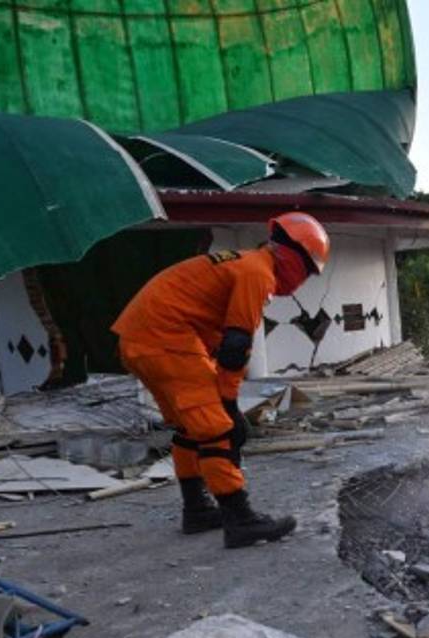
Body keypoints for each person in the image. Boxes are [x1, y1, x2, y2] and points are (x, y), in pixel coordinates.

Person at [113, 212, 329, 548]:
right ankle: (240, 519)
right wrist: (229, 403)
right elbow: (236, 344)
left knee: (191, 428)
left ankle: (197, 510)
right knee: (218, 428)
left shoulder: (245, 264)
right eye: (309, 271)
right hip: (165, 337)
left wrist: (223, 391)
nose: (304, 280)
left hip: (142, 337)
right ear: (295, 257)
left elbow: (216, 336)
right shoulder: (258, 273)